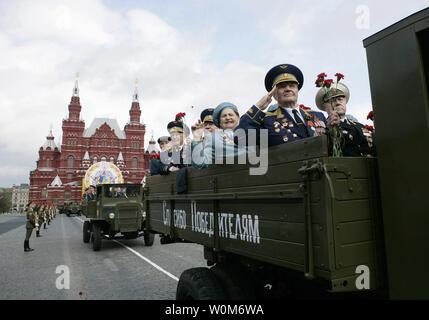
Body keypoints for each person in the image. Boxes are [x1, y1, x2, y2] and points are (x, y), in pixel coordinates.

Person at [236, 64, 327, 147]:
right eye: (282, 86)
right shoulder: (267, 120)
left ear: (297, 90)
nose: (288, 89)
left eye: (292, 86)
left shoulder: (317, 116)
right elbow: (240, 138)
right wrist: (258, 106)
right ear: (274, 93)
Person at [315, 82, 375, 157]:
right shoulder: (323, 129)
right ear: (324, 107)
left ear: (345, 102)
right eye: (332, 100)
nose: (337, 103)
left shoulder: (360, 126)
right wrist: (333, 132)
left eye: (340, 99)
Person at [191, 102, 247, 169]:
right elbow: (200, 163)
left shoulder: (249, 132)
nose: (228, 118)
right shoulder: (212, 139)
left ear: (238, 117)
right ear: (219, 122)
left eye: (231, 115)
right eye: (224, 116)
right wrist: (197, 137)